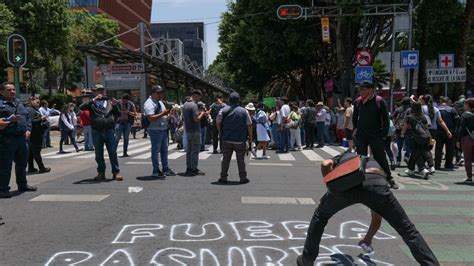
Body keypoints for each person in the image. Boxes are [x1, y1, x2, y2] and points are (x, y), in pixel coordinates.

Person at [296, 152, 439, 266]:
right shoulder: (373, 163)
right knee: (407, 229)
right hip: (377, 185)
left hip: (346, 186)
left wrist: (331, 190)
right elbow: (376, 218)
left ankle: (307, 260)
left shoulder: (344, 156)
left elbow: (325, 163)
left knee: (320, 216)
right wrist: (367, 239)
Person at [352, 82, 397, 189]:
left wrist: (383, 134)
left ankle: (389, 178)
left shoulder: (379, 101)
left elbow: (386, 120)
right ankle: (359, 181)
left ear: (371, 89)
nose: (362, 92)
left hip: (376, 134)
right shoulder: (358, 101)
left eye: (364, 89)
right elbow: (355, 117)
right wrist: (355, 129)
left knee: (380, 157)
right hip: (362, 134)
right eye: (360, 90)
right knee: (361, 158)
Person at [0, 82, 37, 198]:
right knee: (5, 166)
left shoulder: (18, 102)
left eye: (13, 89)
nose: (12, 92)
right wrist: (10, 120)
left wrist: (28, 130)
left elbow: (27, 117)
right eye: (9, 90)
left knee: (22, 164)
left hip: (22, 138)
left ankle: (23, 184)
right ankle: (3, 189)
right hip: (7, 139)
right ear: (1, 92)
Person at [79, 84, 122, 182]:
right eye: (98, 91)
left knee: (112, 152)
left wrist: (115, 106)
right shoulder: (91, 103)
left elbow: (118, 114)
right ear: (94, 92)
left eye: (102, 90)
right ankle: (101, 173)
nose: (100, 93)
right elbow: (81, 107)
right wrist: (93, 100)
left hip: (109, 131)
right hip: (96, 131)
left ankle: (116, 173)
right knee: (99, 154)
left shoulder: (109, 102)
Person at [217, 92, 252, 184]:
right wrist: (250, 137)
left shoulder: (223, 110)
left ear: (229, 100)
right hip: (240, 140)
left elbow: (218, 122)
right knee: (240, 160)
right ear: (239, 100)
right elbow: (249, 125)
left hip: (226, 139)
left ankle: (223, 177)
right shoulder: (244, 111)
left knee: (225, 159)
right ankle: (243, 178)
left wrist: (220, 132)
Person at [144, 85, 176, 178]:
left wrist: (168, 117)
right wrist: (163, 113)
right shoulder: (149, 103)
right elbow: (150, 118)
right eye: (158, 93)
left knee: (164, 151)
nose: (160, 95)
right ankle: (156, 170)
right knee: (155, 151)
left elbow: (162, 116)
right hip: (155, 130)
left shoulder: (160, 102)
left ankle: (165, 169)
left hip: (163, 129)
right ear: (153, 93)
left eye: (161, 93)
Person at [419, 94, 452, 173]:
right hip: (433, 132)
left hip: (423, 131)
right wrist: (447, 131)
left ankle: (425, 166)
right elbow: (440, 121)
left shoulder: (421, 108)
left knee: (422, 148)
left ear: (423, 100)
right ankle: (430, 166)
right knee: (429, 147)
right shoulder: (436, 110)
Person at [401, 102, 433, 179]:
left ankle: (423, 169)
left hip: (414, 137)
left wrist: (402, 134)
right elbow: (427, 127)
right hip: (425, 137)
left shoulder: (409, 117)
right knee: (416, 153)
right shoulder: (423, 117)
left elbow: (405, 126)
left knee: (416, 152)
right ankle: (410, 169)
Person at [181, 89, 208, 176]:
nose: (199, 99)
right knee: (195, 150)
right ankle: (194, 168)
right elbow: (196, 119)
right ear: (196, 96)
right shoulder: (194, 105)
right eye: (199, 97)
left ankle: (189, 167)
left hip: (188, 130)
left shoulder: (185, 104)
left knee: (189, 150)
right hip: (195, 130)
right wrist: (202, 114)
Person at [27, 97, 50, 174]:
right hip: (35, 134)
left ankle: (31, 168)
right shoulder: (30, 110)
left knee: (31, 152)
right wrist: (41, 118)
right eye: (36, 102)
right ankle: (42, 168)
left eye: (38, 102)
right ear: (31, 102)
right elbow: (31, 121)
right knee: (36, 151)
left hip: (35, 133)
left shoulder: (34, 110)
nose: (38, 103)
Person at [435, 97, 458, 170]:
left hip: (438, 131)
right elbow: (457, 121)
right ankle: (448, 164)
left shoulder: (436, 109)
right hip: (450, 131)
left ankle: (437, 164)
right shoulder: (451, 109)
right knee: (450, 148)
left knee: (438, 148)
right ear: (448, 102)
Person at [456, 98, 474, 183]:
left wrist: (458, 140)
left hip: (467, 138)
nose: (464, 106)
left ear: (469, 106)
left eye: (465, 104)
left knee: (468, 159)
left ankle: (469, 177)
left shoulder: (465, 115)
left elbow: (462, 129)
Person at [392, 97, 412, 166]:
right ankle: (407, 156)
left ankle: (398, 161)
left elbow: (392, 117)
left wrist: (396, 124)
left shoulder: (398, 109)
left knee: (399, 146)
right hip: (408, 130)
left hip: (398, 129)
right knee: (408, 145)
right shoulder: (410, 110)